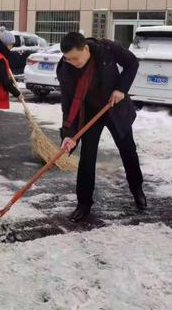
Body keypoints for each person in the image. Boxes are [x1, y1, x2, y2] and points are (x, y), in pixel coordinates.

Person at [57, 32, 146, 222]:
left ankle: (137, 189)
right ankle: (84, 203)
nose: (73, 62)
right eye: (68, 58)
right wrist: (68, 134)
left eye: (76, 58)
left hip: (114, 107)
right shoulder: (65, 68)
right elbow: (68, 104)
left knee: (128, 149)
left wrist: (121, 89)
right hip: (89, 114)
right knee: (87, 157)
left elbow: (132, 64)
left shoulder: (106, 49)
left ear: (86, 49)